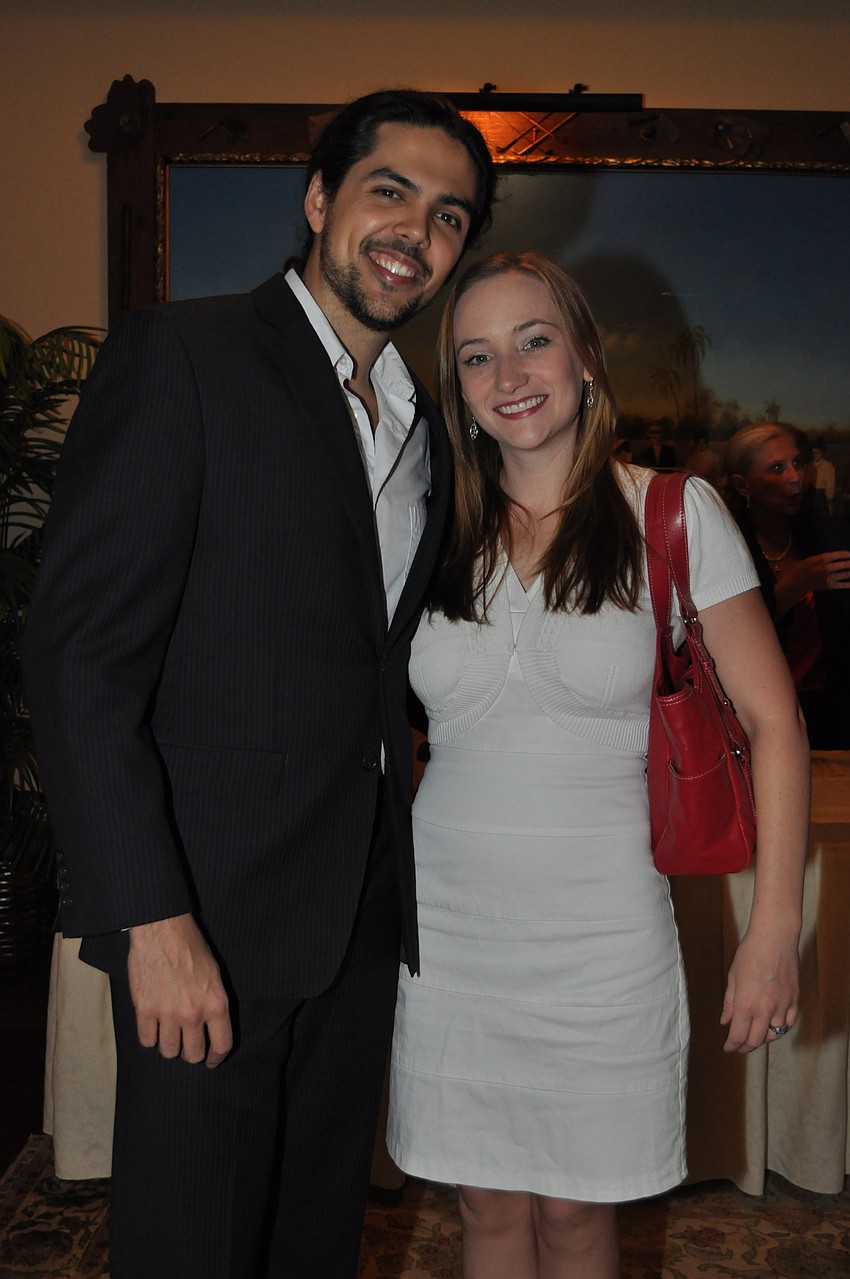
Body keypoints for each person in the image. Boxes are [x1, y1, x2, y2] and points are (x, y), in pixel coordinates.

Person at [22, 89, 495, 1279]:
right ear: (321, 198)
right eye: (390, 190)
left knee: (313, 1241)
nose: (415, 231)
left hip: (359, 916)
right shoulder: (182, 355)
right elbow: (81, 657)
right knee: (194, 1244)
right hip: (207, 918)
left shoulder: (424, 429)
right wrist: (149, 915)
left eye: (449, 216)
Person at [387, 253, 808, 1279]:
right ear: (457, 388)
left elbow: (773, 720)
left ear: (582, 354)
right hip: (445, 930)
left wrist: (773, 930)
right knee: (482, 1204)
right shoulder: (421, 522)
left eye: (533, 338)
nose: (510, 373)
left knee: (578, 1215)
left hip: (603, 936)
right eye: (476, 355)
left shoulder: (670, 512)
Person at [725, 423, 850, 748]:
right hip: (758, 715)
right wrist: (791, 589)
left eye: (798, 462)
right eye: (777, 468)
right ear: (743, 485)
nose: (795, 477)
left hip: (832, 709)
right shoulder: (726, 546)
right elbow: (727, 640)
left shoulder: (824, 535)